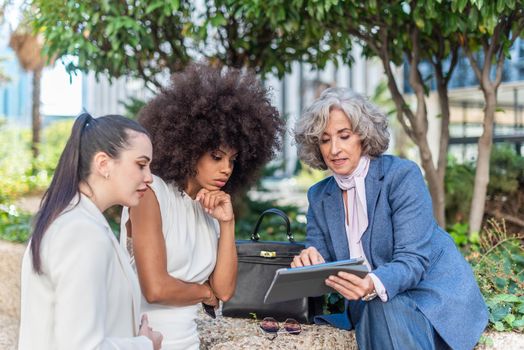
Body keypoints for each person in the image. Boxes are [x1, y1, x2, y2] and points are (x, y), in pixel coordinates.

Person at [292, 88, 488, 350]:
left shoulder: (401, 176)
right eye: (325, 140)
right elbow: (323, 260)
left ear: (362, 135)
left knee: (384, 307)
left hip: (431, 301)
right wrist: (310, 260)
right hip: (372, 310)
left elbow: (413, 261)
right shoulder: (319, 196)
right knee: (379, 308)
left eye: (344, 136)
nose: (334, 149)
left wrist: (371, 285)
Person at [120, 64, 284, 349]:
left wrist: (226, 223)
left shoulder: (208, 210)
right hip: (145, 338)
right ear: (189, 146)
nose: (227, 169)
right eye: (216, 156)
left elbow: (224, 290)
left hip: (187, 339)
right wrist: (203, 293)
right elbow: (155, 288)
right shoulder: (150, 193)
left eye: (233, 160)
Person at [18, 113, 163, 350]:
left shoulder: (76, 222)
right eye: (141, 165)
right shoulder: (81, 233)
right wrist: (146, 344)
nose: (149, 177)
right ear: (103, 164)